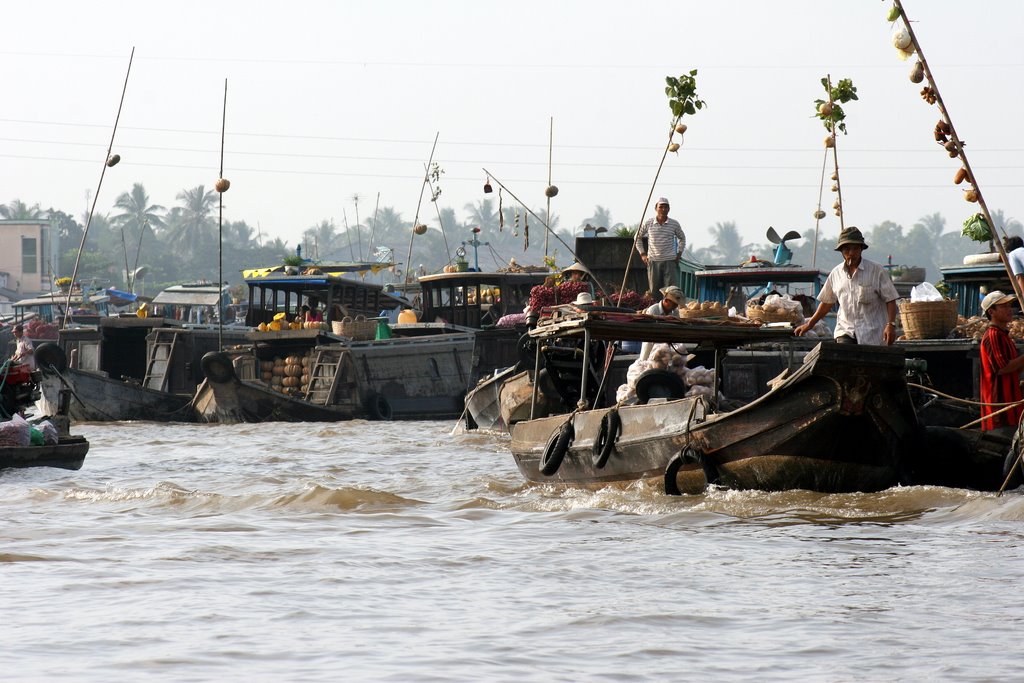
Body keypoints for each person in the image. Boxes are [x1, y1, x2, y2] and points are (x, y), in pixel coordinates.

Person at [794, 227, 899, 345]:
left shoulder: (877, 270)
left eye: (855, 249)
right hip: (846, 331)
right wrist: (809, 324)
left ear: (861, 249)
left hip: (873, 333)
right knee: (845, 358)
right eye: (847, 249)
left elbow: (890, 299)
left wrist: (890, 325)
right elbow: (827, 302)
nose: (851, 253)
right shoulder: (836, 273)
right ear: (841, 251)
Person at [978, 290, 1024, 431]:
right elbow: (1002, 368)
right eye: (1004, 307)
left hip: (1011, 405)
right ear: (991, 312)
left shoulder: (1004, 336)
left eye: (1009, 306)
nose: (1009, 310)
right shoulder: (993, 336)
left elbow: (1015, 367)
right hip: (1000, 407)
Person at [636, 197, 687, 295]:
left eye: (666, 207)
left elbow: (682, 238)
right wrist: (642, 254)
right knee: (654, 290)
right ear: (656, 208)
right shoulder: (649, 223)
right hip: (653, 260)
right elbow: (637, 237)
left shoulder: (674, 224)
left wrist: (679, 253)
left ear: (669, 209)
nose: (663, 209)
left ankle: (671, 310)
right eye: (661, 207)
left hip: (670, 261)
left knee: (671, 290)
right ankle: (656, 309)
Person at [640, 286, 683, 360]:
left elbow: (677, 328)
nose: (675, 307)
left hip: (667, 346)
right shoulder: (653, 310)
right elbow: (649, 332)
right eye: (674, 304)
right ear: (666, 301)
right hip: (652, 345)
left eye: (676, 305)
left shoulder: (675, 312)